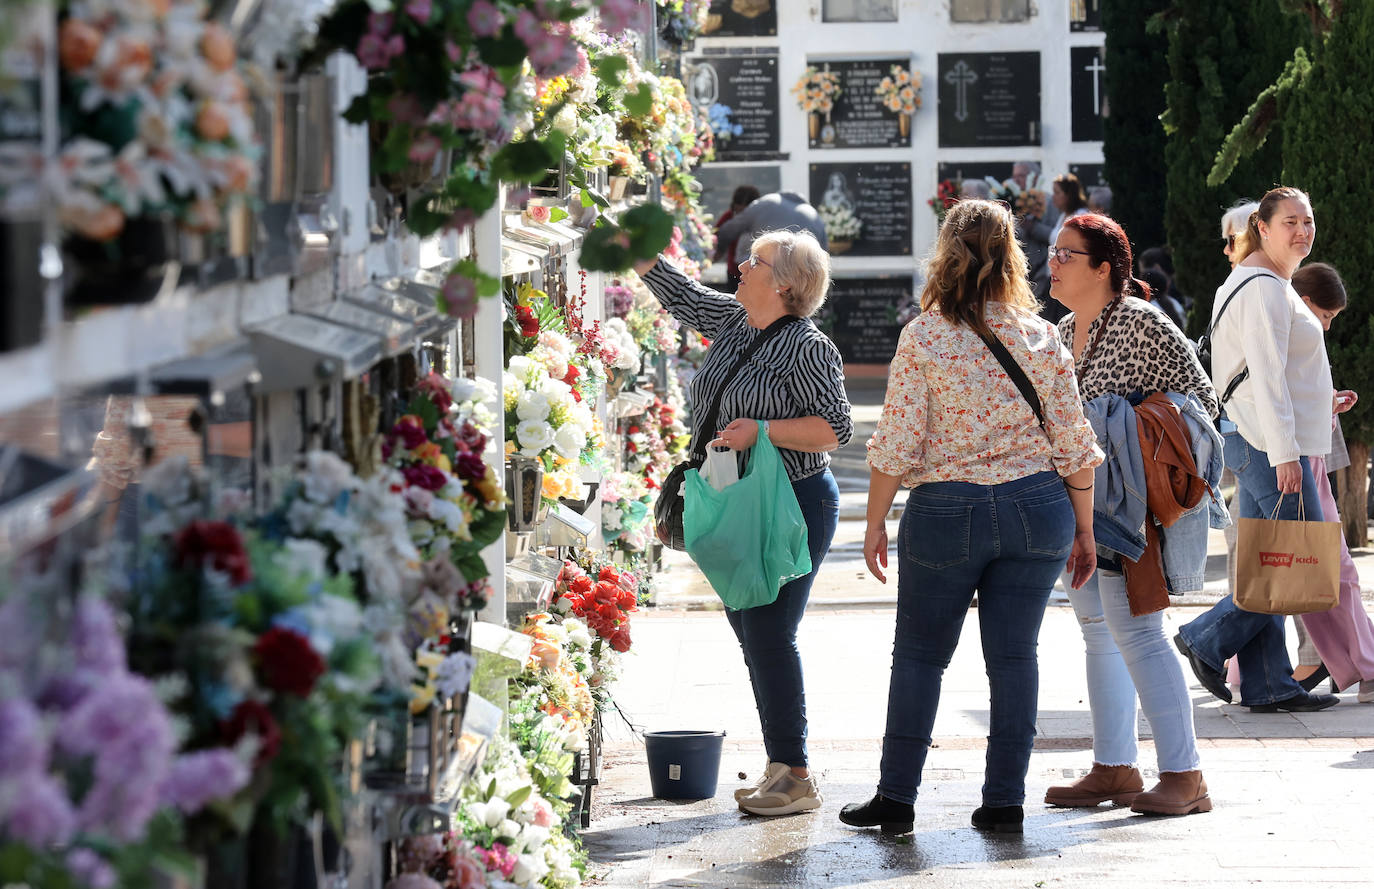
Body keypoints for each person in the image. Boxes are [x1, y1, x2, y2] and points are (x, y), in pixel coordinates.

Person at [839, 199, 1103, 836]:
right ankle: (1005, 801)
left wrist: (874, 523)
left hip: (946, 509)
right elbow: (1074, 442)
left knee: (921, 657)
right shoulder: (1043, 334)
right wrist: (1086, 528)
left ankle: (897, 799)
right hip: (1038, 507)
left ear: (946, 255)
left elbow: (897, 443)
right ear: (1011, 255)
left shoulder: (924, 335)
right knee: (1015, 659)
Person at [634, 230, 852, 817]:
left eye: (753, 262)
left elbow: (835, 428)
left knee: (769, 633)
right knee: (751, 631)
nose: (740, 266)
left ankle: (797, 776)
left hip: (793, 503)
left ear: (783, 283)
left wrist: (763, 429)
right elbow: (681, 295)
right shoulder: (735, 320)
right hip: (737, 499)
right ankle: (781, 764)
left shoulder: (808, 347)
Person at [1041, 214, 1219, 817]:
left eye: (1067, 254)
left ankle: (1185, 774)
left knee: (1139, 633)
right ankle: (1114, 767)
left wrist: (1130, 426)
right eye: (1053, 252)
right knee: (1099, 633)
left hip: (1130, 506)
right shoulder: (1064, 331)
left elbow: (1203, 406)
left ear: (1103, 269)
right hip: (1081, 504)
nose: (1053, 263)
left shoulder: (1142, 322)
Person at [1173, 186, 1340, 713]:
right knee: (1301, 561)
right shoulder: (1265, 287)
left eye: (1308, 220)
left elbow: (1273, 370)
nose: (1302, 231)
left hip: (1253, 436)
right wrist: (1286, 454)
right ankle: (1205, 638)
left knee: (1268, 564)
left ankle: (1270, 684)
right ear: (1262, 229)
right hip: (1267, 444)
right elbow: (1266, 376)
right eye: (1289, 221)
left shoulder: (1254, 282)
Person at [1288, 262, 1374, 703]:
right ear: (1306, 303)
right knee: (1333, 569)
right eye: (1327, 316)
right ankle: (1366, 666)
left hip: (1301, 458)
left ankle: (1238, 661)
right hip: (1298, 462)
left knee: (1289, 568)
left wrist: (1330, 403)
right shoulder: (1296, 334)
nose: (1327, 326)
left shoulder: (1295, 332)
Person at [714, 191, 829, 264]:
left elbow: (729, 229)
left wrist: (717, 251)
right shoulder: (814, 216)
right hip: (797, 276)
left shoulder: (766, 202)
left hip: (763, 269)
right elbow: (823, 260)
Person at [1011, 160, 1059, 308]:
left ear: (1036, 178)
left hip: (1043, 274)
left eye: (1021, 176)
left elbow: (1057, 236)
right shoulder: (1011, 201)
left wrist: (1033, 227)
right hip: (1018, 273)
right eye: (1014, 176)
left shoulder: (1050, 202)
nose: (1016, 180)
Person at [714, 185, 761, 291]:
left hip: (755, 271)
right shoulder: (729, 217)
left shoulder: (760, 220)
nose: (742, 216)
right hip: (734, 270)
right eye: (739, 210)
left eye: (746, 211)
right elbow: (717, 235)